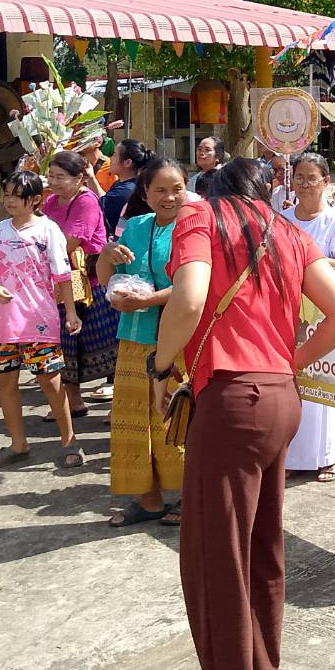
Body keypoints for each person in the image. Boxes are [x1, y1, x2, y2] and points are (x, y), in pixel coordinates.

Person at [154, 151, 335, 670]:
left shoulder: (202, 218)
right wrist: (288, 363)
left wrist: (160, 367)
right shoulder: (287, 231)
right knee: (262, 549)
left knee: (215, 558)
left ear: (213, 189)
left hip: (230, 402)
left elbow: (190, 297)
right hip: (280, 397)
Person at [97, 158, 188, 525]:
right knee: (133, 419)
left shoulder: (195, 228)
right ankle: (148, 499)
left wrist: (148, 301)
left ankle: (189, 497)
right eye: (160, 190)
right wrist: (106, 255)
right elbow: (106, 277)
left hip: (178, 337)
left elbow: (194, 285)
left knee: (176, 416)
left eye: (177, 188)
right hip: (133, 337)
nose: (169, 197)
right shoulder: (134, 226)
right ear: (146, 194)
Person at [0, 171, 83, 470]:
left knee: (50, 381)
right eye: (6, 194)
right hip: (2, 320)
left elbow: (62, 274)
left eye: (16, 194)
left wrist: (72, 312)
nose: (9, 200)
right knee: (6, 383)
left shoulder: (48, 230)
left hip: (39, 316)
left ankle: (69, 440)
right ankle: (18, 443)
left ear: (36, 199)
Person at [279, 153, 335, 484]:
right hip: (289, 313)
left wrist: (312, 266)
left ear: (326, 182)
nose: (304, 185)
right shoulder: (281, 219)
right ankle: (293, 456)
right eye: (299, 178)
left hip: (327, 315)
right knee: (294, 384)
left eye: (311, 178)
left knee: (325, 388)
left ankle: (330, 456)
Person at [45, 149, 113, 413]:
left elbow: (70, 241)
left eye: (60, 176)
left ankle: (119, 402)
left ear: (79, 179)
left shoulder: (86, 201)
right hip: (62, 281)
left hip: (90, 284)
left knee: (105, 345)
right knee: (66, 344)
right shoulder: (51, 202)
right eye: (50, 176)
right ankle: (73, 400)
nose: (53, 181)